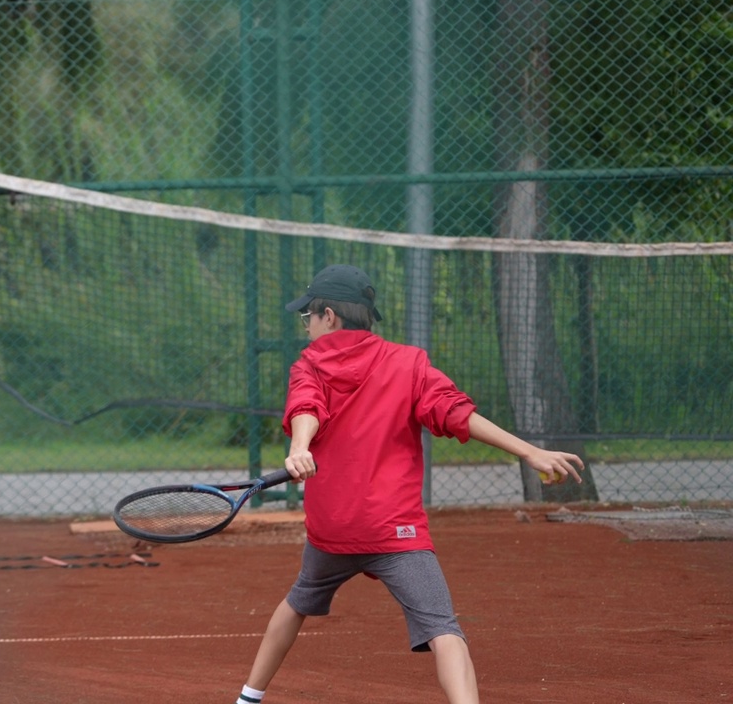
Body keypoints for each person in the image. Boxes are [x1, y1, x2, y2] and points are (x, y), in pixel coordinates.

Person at [233, 264, 584, 704]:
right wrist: (528, 451)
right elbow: (457, 413)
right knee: (443, 628)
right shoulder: (408, 363)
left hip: (333, 530)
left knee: (296, 603)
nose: (306, 326)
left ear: (329, 316)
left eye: (308, 317)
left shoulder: (309, 365)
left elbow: (306, 406)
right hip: (396, 532)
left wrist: (300, 445)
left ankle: (248, 698)